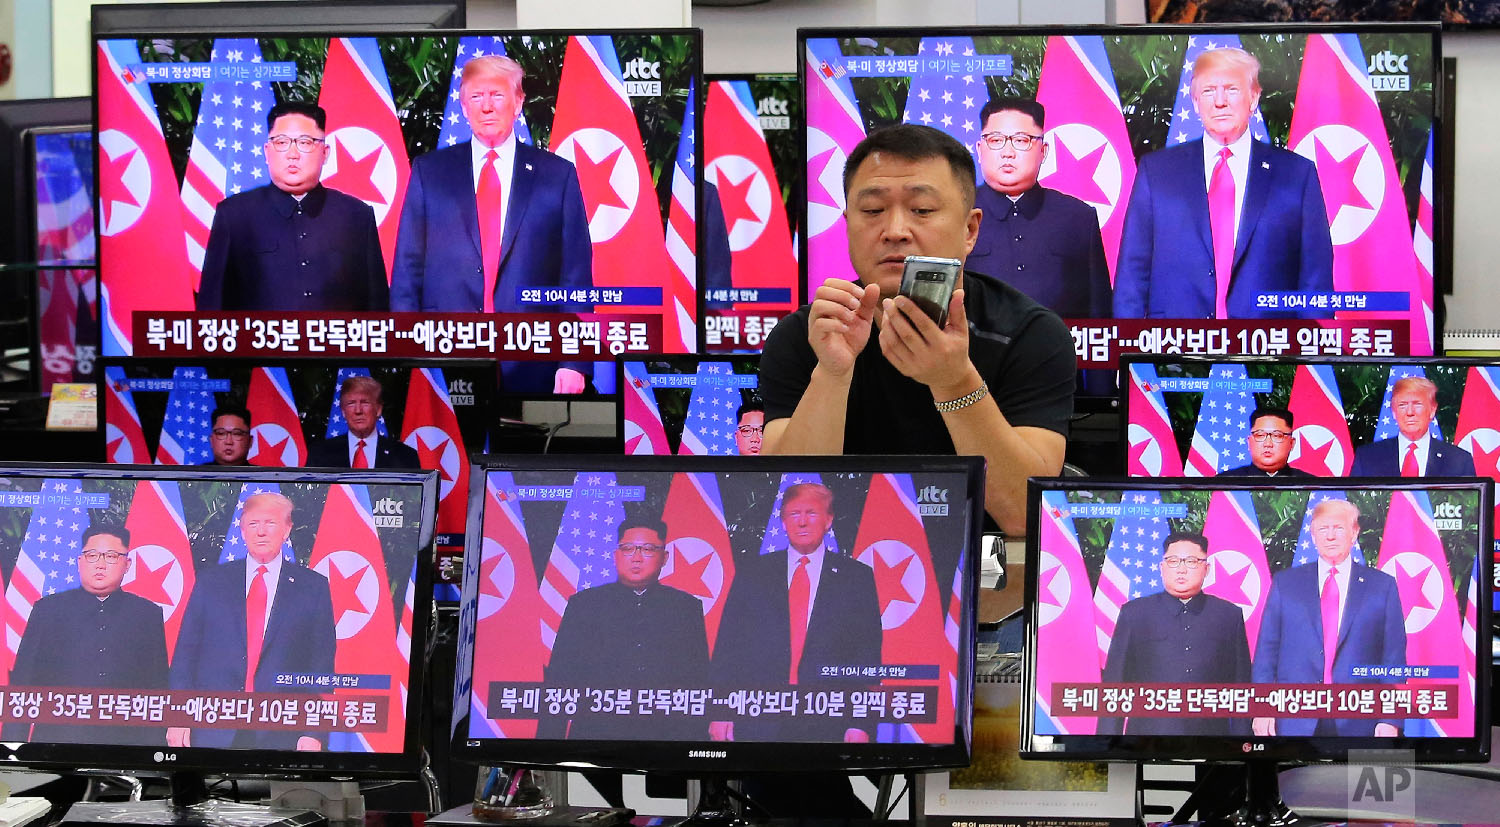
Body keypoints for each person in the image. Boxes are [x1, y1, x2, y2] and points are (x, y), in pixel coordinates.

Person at [758, 124, 1075, 536]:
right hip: (840, 575)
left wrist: (954, 382)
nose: (894, 230)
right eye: (872, 211)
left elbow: (1024, 516)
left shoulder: (1030, 334)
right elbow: (788, 507)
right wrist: (832, 374)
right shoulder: (807, 335)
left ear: (970, 230)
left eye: (922, 210)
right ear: (847, 223)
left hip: (988, 580)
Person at [390, 55, 593, 394]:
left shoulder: (557, 176)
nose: (486, 106)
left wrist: (573, 360)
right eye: (476, 96)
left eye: (497, 95)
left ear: (518, 103)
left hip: (533, 360)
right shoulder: (430, 172)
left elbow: (575, 275)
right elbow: (408, 270)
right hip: (444, 358)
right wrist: (408, 351)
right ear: (464, 106)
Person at [1113, 47, 1333, 320]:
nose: (1219, 101)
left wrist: (1304, 358)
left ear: (1253, 97)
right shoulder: (1156, 172)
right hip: (1174, 355)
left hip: (1268, 355)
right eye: (1208, 91)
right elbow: (1131, 279)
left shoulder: (1297, 176)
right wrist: (1132, 356)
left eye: (1231, 89)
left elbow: (1316, 283)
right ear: (1194, 102)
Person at [711, 483, 881, 742]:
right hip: (757, 721)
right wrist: (721, 709)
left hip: (828, 725)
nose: (802, 522)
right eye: (793, 514)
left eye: (811, 513)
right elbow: (728, 647)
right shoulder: (753, 573)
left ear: (828, 520)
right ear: (784, 521)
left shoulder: (856, 577)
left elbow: (866, 656)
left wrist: (861, 723)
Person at [168, 493, 337, 749]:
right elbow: (185, 655)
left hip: (281, 732)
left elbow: (320, 666)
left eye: (270, 523)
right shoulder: (211, 582)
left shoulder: (313, 587)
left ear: (287, 529)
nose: (261, 532)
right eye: (253, 524)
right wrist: (178, 715)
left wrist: (313, 732)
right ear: (243, 531)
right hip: (210, 727)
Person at [197, 101, 388, 312]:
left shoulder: (357, 216)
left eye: (305, 142)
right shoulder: (234, 215)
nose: (292, 154)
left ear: (325, 153)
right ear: (267, 152)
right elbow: (211, 308)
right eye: (281, 142)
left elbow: (377, 308)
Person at [543, 518, 709, 739]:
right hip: (596, 736)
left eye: (648, 549)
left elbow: (699, 679)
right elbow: (560, 677)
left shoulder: (686, 607)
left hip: (668, 737)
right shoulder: (584, 605)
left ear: (664, 558)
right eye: (628, 548)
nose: (637, 557)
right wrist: (549, 744)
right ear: (616, 556)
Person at [1252, 499, 1405, 737]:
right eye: (1323, 529)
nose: (1330, 536)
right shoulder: (1286, 583)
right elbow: (1266, 652)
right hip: (1293, 719)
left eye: (1339, 528)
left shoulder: (1382, 587)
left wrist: (1390, 718)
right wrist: (1262, 707)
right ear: (1313, 535)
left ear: (1354, 533)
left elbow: (1393, 659)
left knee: (1354, 776)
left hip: (1361, 720)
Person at [5, 524, 169, 745]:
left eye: (111, 556)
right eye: (92, 555)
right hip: (57, 743)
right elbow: (24, 686)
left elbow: (156, 688)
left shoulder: (147, 614)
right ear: (80, 562)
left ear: (127, 564)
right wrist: (13, 749)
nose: (100, 564)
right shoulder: (48, 610)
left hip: (126, 743)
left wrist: (152, 753)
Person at [964, 98, 1111, 319]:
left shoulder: (1078, 218)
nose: (1007, 152)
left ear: (1043, 151)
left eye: (1021, 140)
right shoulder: (957, 212)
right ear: (979, 149)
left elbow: (1100, 313)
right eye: (996, 140)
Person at [1098, 531, 1251, 736]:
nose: (1181, 569)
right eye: (1173, 561)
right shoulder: (1135, 614)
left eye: (1191, 561)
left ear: (1206, 569)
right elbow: (1114, 686)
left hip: (1212, 741)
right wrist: (1107, 744)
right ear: (1162, 568)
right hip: (1147, 741)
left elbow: (1240, 688)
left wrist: (1242, 746)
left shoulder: (1228, 615)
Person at [1350, 376, 1475, 477]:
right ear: (1393, 412)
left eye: (1417, 404)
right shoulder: (1367, 457)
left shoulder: (1459, 460)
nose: (1410, 412)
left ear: (1432, 410)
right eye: (1402, 405)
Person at [306, 375, 419, 469]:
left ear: (378, 409)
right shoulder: (320, 454)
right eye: (351, 403)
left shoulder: (405, 456)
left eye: (365, 402)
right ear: (343, 411)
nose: (358, 410)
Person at [1220, 405, 1314, 477]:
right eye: (1260, 435)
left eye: (1277, 435)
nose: (1268, 444)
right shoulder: (1224, 483)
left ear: (1292, 443)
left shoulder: (1311, 485)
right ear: (1249, 442)